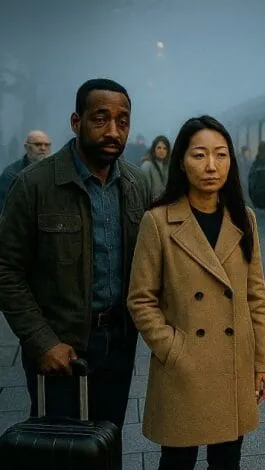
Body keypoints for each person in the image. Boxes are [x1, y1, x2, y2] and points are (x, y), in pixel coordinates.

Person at [0, 78, 151, 430]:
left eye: (123, 121)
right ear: (76, 122)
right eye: (100, 119)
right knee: (62, 445)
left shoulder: (136, 184)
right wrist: (41, 342)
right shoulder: (35, 184)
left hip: (118, 344)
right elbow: (6, 269)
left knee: (108, 439)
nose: (113, 131)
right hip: (60, 349)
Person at [127, 115, 265, 470]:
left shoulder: (244, 219)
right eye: (199, 155)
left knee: (227, 461)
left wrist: (262, 362)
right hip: (183, 366)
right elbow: (141, 299)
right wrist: (173, 348)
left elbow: (255, 297)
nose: (211, 166)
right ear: (181, 161)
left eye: (221, 155)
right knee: (177, 461)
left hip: (233, 363)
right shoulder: (158, 221)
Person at [0, 129, 52, 211]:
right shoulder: (11, 174)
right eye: (38, 144)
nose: (43, 148)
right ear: (27, 147)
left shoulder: (55, 171)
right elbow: (5, 209)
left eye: (47, 145)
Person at [141, 135, 170, 200]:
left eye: (165, 148)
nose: (161, 151)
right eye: (159, 148)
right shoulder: (147, 166)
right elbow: (144, 191)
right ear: (154, 149)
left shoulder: (167, 166)